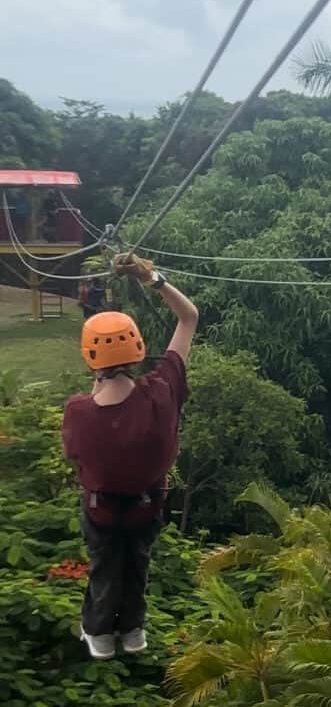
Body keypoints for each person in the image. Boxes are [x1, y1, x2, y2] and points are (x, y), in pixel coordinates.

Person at [61, 253, 198, 659]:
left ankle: (99, 635)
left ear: (90, 357)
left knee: (104, 567)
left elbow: (76, 457)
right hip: (146, 504)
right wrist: (151, 277)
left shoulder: (79, 412)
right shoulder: (162, 391)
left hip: (103, 508)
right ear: (137, 349)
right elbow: (188, 317)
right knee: (137, 565)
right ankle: (133, 631)